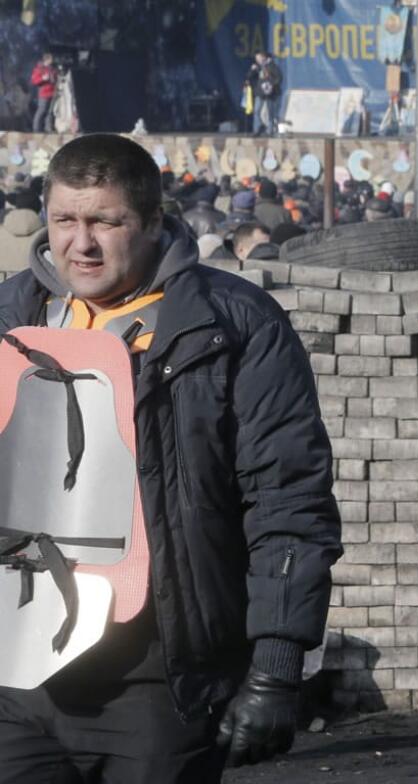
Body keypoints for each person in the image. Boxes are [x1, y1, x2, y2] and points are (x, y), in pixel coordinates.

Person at [0, 133, 343, 782]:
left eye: (106, 221)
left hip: (162, 675)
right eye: (65, 221)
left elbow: (286, 498)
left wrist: (275, 666)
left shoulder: (233, 325)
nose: (83, 243)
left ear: (154, 222)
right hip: (19, 674)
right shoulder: (11, 319)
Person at [246, 51, 282, 137]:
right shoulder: (257, 67)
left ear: (264, 57)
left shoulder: (272, 66)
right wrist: (252, 70)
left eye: (259, 58)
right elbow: (249, 76)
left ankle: (270, 131)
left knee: (270, 113)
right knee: (256, 111)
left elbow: (279, 78)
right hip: (260, 92)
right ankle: (258, 128)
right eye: (256, 59)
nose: (258, 60)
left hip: (270, 93)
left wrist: (271, 84)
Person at [29, 52, 57, 133]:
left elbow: (55, 79)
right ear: (46, 60)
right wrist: (43, 78)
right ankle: (36, 128)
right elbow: (34, 81)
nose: (52, 61)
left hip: (52, 93)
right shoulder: (39, 69)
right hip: (44, 93)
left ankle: (48, 128)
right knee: (42, 110)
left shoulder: (52, 69)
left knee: (50, 111)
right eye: (51, 59)